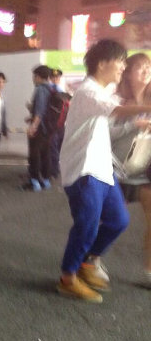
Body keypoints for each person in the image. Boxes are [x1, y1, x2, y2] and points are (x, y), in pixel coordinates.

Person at [57, 39, 151, 302]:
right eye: (119, 61)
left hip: (102, 169)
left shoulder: (103, 91)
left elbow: (113, 120)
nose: (123, 67)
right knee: (86, 226)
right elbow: (118, 110)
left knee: (119, 220)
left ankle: (87, 262)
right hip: (83, 170)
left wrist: (137, 118)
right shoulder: (88, 92)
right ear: (101, 64)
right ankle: (68, 277)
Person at [115, 53, 151, 285]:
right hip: (119, 169)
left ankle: (149, 272)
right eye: (140, 67)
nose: (146, 71)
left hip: (146, 169)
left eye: (149, 66)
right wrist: (134, 125)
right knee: (108, 220)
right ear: (127, 73)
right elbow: (107, 133)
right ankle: (90, 260)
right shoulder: (118, 101)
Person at [23, 65, 53, 191]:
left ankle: (34, 182)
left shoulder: (40, 89)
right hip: (49, 129)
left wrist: (33, 127)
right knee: (46, 154)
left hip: (40, 129)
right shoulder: (51, 89)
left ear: (38, 77)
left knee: (35, 155)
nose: (33, 79)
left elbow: (39, 111)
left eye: (34, 76)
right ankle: (46, 180)